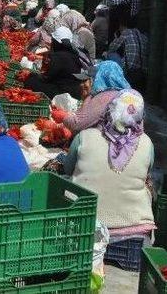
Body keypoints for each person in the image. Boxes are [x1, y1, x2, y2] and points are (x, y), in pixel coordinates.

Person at [63, 90, 154, 235]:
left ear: (110, 110)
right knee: (147, 184)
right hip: (135, 223)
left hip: (84, 221)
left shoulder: (84, 137)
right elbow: (147, 171)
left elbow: (68, 170)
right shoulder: (147, 142)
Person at [53, 61, 131, 133]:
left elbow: (77, 124)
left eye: (85, 81)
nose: (81, 85)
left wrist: (63, 115)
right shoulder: (126, 94)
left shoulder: (104, 97)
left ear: (98, 78)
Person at [24, 26, 83, 99]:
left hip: (61, 92)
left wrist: (35, 75)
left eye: (53, 40)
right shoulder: (74, 55)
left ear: (56, 42)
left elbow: (47, 78)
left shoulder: (58, 56)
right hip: (74, 91)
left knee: (31, 80)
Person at [106, 14, 148, 92]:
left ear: (122, 26)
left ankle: (115, 81)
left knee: (110, 54)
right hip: (143, 71)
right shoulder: (143, 36)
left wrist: (116, 37)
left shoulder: (126, 32)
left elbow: (112, 48)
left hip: (130, 71)